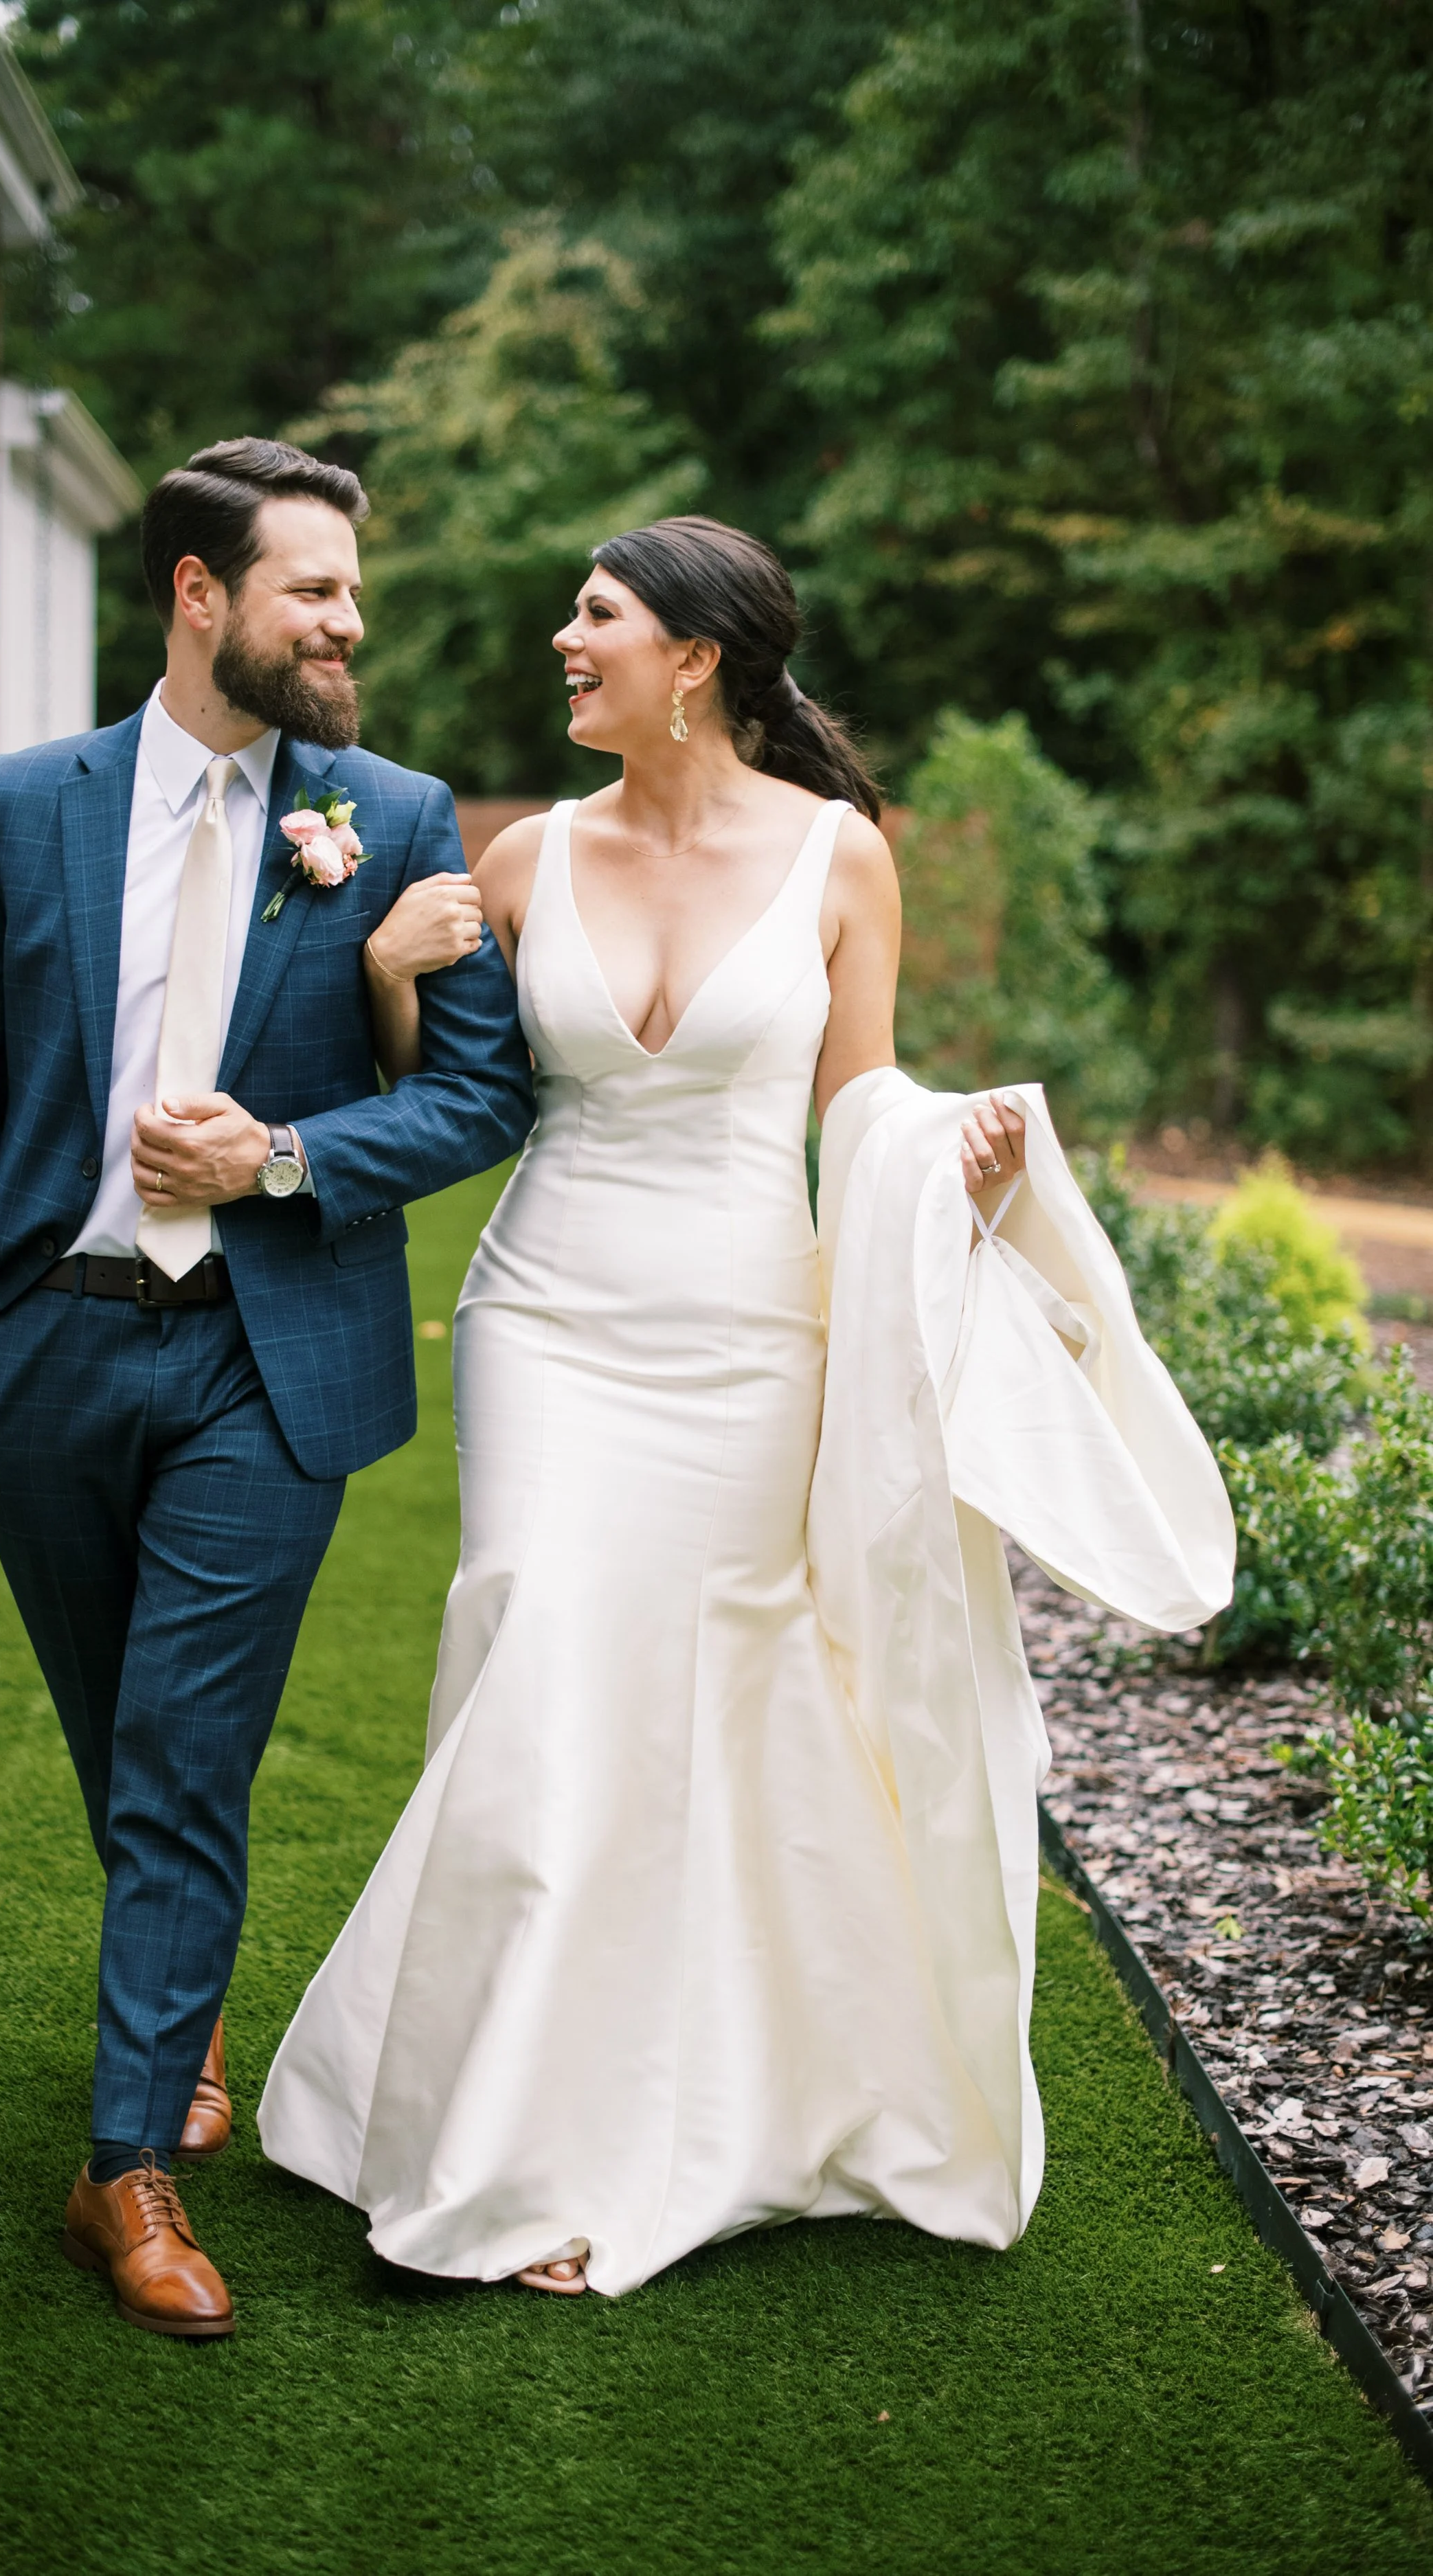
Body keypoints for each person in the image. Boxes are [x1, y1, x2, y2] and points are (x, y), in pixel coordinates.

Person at [257, 514, 1234, 2298]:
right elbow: (459, 1097)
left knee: (701, 1698)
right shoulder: (527, 855)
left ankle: (675, 2113)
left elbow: (852, 1105)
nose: (564, 637)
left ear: (695, 656)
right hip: (545, 1316)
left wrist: (958, 1151)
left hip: (740, 1330)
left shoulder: (842, 859)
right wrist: (389, 975)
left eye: (597, 615)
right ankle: (509, 2141)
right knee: (546, 1648)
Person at [0, 438, 534, 2338]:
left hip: (272, 1354)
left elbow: (479, 1094)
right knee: (120, 1732)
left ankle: (122, 2166)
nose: (349, 621)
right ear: (198, 595)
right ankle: (176, 2012)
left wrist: (273, 1158)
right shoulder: (23, 807)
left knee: (185, 1745)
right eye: (311, 589)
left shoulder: (393, 817)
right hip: (43, 1342)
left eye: (350, 589)